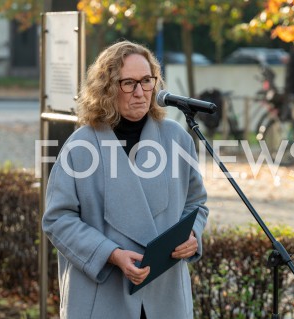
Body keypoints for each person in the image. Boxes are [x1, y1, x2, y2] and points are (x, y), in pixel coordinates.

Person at [42, 40, 209, 319]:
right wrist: (111, 254)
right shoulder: (80, 146)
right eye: (128, 83)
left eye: (147, 81)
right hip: (103, 294)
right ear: (107, 88)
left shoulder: (177, 138)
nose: (141, 92)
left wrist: (194, 236)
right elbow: (58, 219)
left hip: (165, 296)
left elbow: (196, 204)